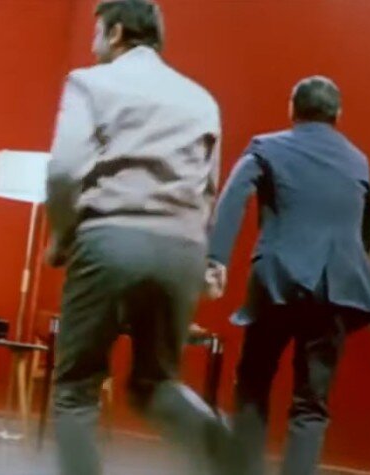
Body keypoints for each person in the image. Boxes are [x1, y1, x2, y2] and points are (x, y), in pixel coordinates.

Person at [45, 1, 227, 473]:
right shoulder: (201, 100)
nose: (93, 45)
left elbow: (64, 170)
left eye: (97, 33)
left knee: (76, 387)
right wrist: (199, 258)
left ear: (116, 32)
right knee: (155, 384)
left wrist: (62, 235)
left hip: (111, 236)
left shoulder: (90, 83)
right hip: (181, 247)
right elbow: (208, 187)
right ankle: (227, 451)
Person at [205, 76, 370, 475]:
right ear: (338, 114)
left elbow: (233, 198)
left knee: (254, 381)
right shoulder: (358, 160)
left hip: (279, 280)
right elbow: (368, 226)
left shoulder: (267, 147)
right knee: (311, 403)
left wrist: (216, 259)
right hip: (336, 287)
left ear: (292, 108)